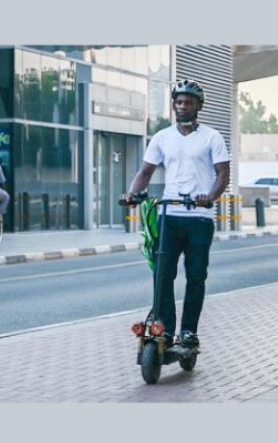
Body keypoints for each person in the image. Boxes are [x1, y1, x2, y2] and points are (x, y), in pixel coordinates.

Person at [119, 79, 230, 349]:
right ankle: (165, 330)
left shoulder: (211, 137)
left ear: (198, 106)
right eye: (179, 102)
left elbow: (223, 174)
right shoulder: (162, 137)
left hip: (199, 220)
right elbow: (145, 172)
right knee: (162, 274)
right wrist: (132, 194)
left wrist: (210, 197)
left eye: (188, 102)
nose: (183, 106)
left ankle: (189, 332)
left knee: (195, 276)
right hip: (168, 216)